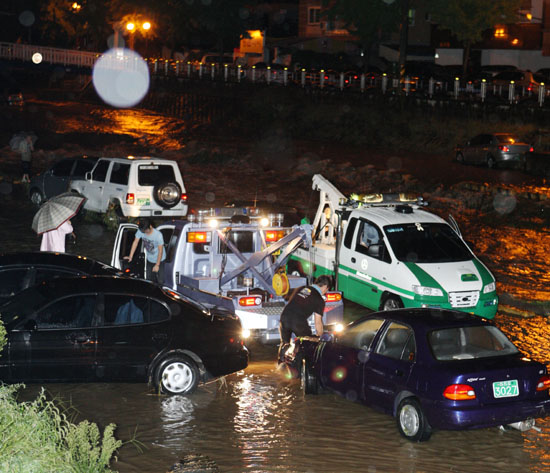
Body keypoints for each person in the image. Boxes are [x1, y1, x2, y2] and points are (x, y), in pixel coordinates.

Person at [277, 274, 332, 362]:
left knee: (285, 343)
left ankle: (281, 363)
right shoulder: (319, 299)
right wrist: (321, 338)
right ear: (325, 286)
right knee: (306, 342)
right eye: (327, 289)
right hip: (297, 321)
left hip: (284, 316)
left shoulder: (302, 288)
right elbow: (318, 322)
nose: (326, 291)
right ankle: (300, 365)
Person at [125, 218, 165, 285]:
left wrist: (157, 265)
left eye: (146, 231)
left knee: (161, 281)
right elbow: (135, 242)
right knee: (149, 281)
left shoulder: (158, 235)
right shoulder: (141, 231)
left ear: (150, 226)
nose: (145, 233)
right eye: (143, 231)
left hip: (160, 260)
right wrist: (130, 256)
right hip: (150, 259)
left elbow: (160, 251)